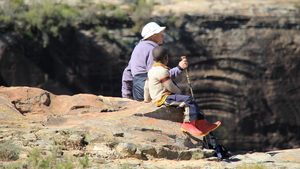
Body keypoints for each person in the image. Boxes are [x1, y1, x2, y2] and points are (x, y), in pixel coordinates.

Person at [144, 46, 221, 136]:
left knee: (188, 99)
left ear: (153, 59)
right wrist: (178, 92)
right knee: (188, 100)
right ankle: (188, 124)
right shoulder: (162, 71)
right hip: (163, 98)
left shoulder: (151, 70)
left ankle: (203, 124)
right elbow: (170, 87)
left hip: (159, 97)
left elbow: (146, 87)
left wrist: (146, 99)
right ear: (166, 58)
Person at [121, 22, 187, 101]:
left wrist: (126, 96)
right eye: (160, 34)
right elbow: (159, 75)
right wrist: (179, 68)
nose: (163, 36)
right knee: (183, 99)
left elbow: (127, 72)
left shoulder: (137, 48)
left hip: (137, 91)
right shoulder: (153, 50)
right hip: (150, 91)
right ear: (152, 36)